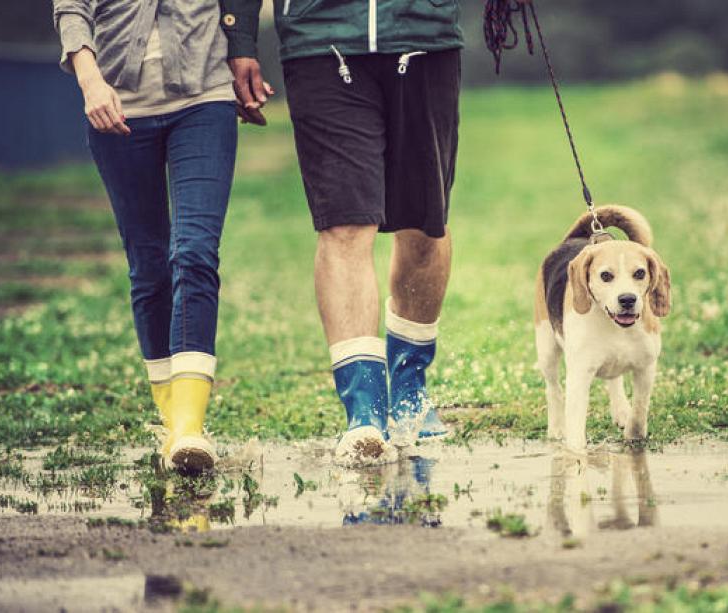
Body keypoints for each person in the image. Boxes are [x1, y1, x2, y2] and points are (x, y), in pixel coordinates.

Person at [216, 0, 463, 465]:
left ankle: (409, 386)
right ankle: (365, 410)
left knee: (424, 225)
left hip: (422, 34)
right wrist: (241, 38)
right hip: (320, 41)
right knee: (344, 224)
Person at [52, 0, 248, 472]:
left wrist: (244, 51)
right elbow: (71, 8)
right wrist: (90, 80)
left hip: (204, 100)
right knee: (149, 265)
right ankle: (171, 418)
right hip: (117, 109)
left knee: (196, 251)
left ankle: (189, 428)